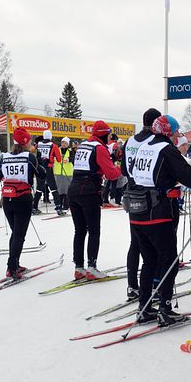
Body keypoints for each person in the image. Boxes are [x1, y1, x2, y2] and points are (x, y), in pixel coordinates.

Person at [124, 114, 191, 326]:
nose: (177, 136)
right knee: (168, 261)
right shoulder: (166, 150)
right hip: (158, 212)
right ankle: (165, 310)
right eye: (175, 132)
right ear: (169, 132)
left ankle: (144, 307)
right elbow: (189, 177)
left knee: (149, 261)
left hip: (137, 210)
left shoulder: (143, 147)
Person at [68, 120, 121, 280]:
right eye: (108, 134)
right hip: (88, 192)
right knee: (94, 230)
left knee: (79, 231)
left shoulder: (83, 145)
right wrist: (119, 168)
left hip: (74, 190)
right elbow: (111, 174)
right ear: (104, 135)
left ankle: (79, 267)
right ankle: (92, 267)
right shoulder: (99, 148)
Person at [0, 127, 43, 279]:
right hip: (23, 200)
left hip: (8, 200)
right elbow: (41, 174)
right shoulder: (29, 157)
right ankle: (11, 267)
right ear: (26, 142)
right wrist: (39, 164)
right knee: (19, 235)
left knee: (16, 234)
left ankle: (15, 264)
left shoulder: (5, 157)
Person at [121, 108, 159, 300]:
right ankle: (154, 283)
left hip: (131, 192)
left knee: (135, 241)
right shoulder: (153, 141)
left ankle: (132, 285)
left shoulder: (130, 141)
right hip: (148, 194)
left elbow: (123, 169)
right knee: (152, 242)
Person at [32, 129, 64, 215]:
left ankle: (34, 207)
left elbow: (32, 152)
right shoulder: (53, 145)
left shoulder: (38, 144)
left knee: (39, 188)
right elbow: (59, 159)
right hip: (48, 168)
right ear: (50, 137)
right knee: (53, 187)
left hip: (39, 168)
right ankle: (58, 207)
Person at [53, 136, 75, 213]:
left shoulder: (70, 151)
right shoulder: (57, 150)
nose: (64, 144)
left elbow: (73, 158)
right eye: (63, 143)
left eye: (65, 143)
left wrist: (69, 159)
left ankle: (66, 205)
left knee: (66, 189)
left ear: (68, 144)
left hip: (67, 173)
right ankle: (59, 204)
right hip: (58, 172)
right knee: (59, 189)